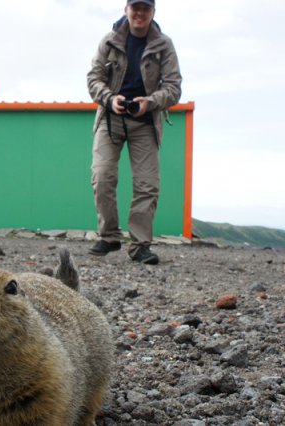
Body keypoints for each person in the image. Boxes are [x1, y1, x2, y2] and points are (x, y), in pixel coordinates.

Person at [86, 0, 182, 265]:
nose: (140, 13)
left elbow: (174, 87)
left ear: (153, 12)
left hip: (145, 122)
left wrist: (149, 103)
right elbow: (93, 78)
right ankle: (109, 236)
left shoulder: (164, 45)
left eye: (145, 8)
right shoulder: (109, 41)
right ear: (126, 9)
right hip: (110, 119)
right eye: (135, 7)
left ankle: (140, 246)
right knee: (102, 176)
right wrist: (110, 99)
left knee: (147, 185)